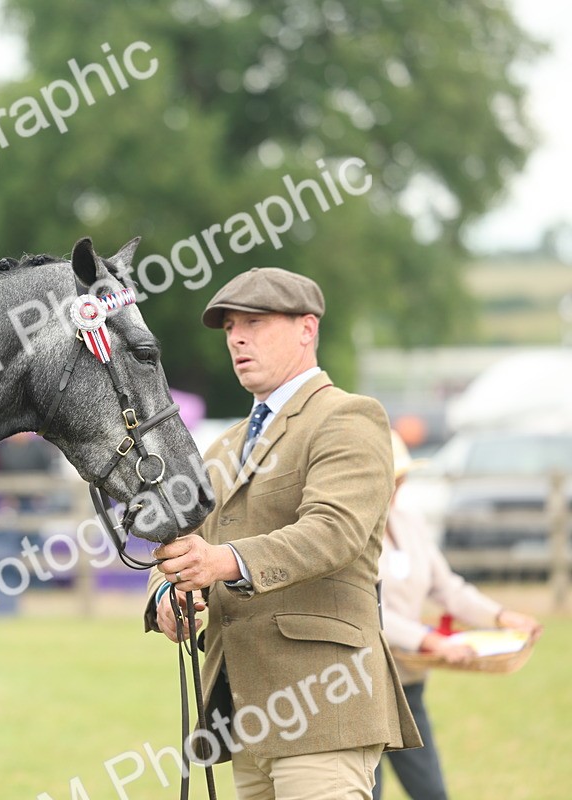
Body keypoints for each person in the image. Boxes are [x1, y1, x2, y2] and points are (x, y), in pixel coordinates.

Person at [142, 266, 422, 799]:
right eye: (229, 328)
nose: (237, 338)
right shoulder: (223, 446)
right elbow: (188, 549)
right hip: (244, 714)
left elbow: (333, 530)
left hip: (325, 705)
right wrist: (166, 593)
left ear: (306, 329)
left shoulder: (349, 417)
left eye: (254, 322)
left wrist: (223, 562)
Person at [373, 431, 542, 800]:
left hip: (408, 684)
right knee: (367, 792)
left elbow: (447, 587)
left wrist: (500, 617)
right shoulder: (351, 535)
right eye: (390, 478)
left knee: (431, 790)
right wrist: (428, 639)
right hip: (364, 687)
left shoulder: (409, 523)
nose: (397, 487)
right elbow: (368, 610)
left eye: (401, 478)